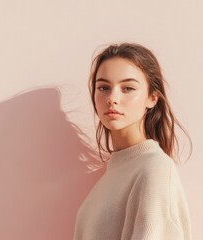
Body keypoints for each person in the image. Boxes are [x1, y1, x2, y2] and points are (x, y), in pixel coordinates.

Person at [74, 42, 192, 240]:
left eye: (127, 88)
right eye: (103, 87)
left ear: (152, 98)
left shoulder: (154, 168)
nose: (112, 98)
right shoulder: (114, 172)